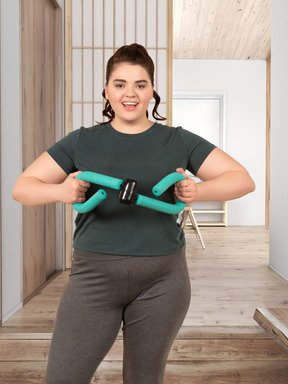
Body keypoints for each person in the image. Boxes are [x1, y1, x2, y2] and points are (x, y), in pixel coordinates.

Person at [12, 43, 255, 384]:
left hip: (163, 280)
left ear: (152, 90)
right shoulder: (82, 141)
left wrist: (198, 190)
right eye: (120, 84)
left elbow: (242, 179)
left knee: (144, 378)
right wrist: (59, 190)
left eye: (141, 84)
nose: (131, 93)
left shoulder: (177, 140)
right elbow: (22, 188)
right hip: (93, 279)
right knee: (63, 377)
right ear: (107, 90)